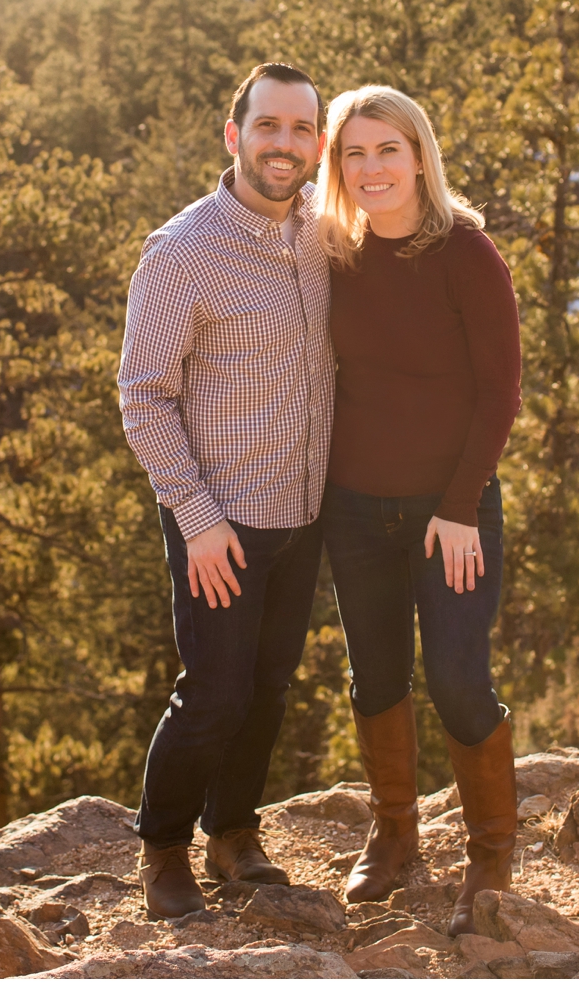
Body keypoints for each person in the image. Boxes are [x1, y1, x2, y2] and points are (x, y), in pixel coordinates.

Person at [116, 62, 337, 920]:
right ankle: (165, 847)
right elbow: (144, 394)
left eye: (300, 129)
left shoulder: (323, 231)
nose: (284, 144)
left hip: (304, 509)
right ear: (233, 132)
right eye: (268, 125)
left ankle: (234, 831)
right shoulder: (183, 251)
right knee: (214, 692)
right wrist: (198, 519)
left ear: (316, 142)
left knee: (273, 682)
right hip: (220, 520)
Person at [316, 85, 522, 937]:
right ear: (339, 165)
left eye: (386, 150)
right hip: (355, 509)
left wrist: (461, 503)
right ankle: (394, 830)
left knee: (459, 678)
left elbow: (499, 390)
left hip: (453, 511)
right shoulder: (332, 254)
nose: (372, 169)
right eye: (354, 153)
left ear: (419, 155)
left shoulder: (466, 253)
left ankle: (491, 850)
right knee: (375, 676)